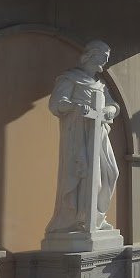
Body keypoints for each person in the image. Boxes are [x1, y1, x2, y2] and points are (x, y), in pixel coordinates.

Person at [45, 40, 120, 235]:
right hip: (78, 134)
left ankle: (97, 217)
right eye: (102, 58)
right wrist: (75, 108)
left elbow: (114, 105)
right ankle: (78, 220)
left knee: (110, 173)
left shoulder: (101, 85)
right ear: (90, 56)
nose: (104, 63)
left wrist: (109, 111)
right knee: (86, 175)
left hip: (99, 133)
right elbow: (56, 104)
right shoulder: (69, 79)